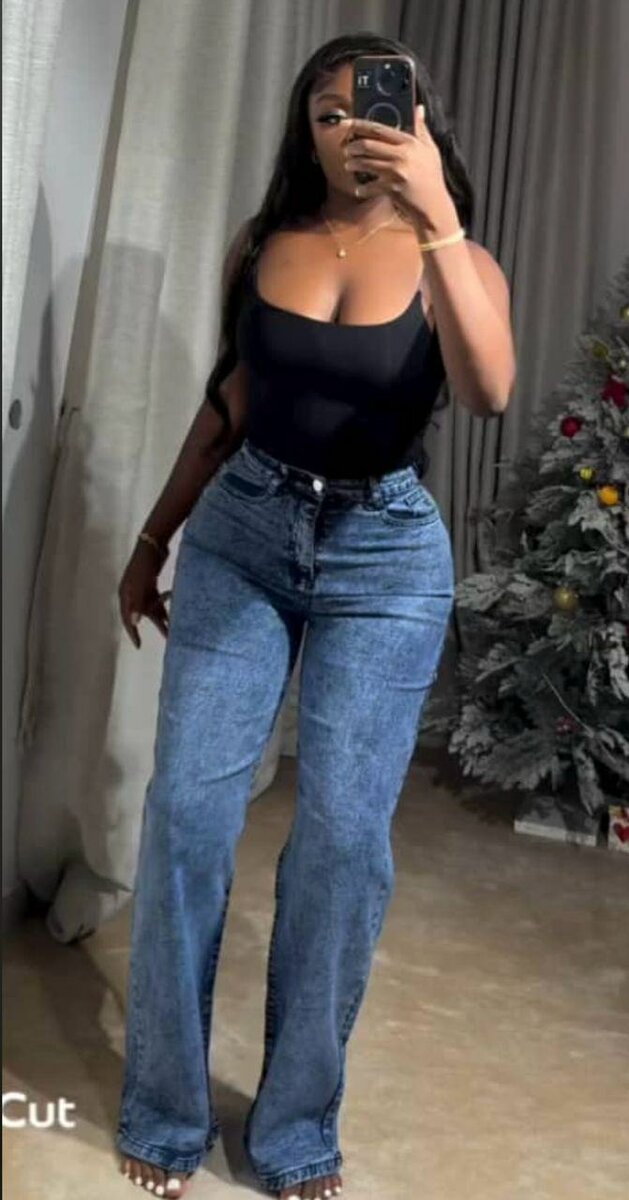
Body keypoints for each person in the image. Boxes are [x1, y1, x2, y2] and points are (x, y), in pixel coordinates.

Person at [115, 29, 515, 1200]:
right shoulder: (266, 244)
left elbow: (487, 388)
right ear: (304, 130)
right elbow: (229, 407)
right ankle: (165, 1109)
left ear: (419, 123)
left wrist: (435, 214)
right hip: (243, 535)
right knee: (186, 812)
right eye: (327, 112)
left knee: (341, 842)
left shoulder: (455, 258)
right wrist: (151, 542)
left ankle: (293, 1129)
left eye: (375, 108)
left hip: (382, 556)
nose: (351, 130)